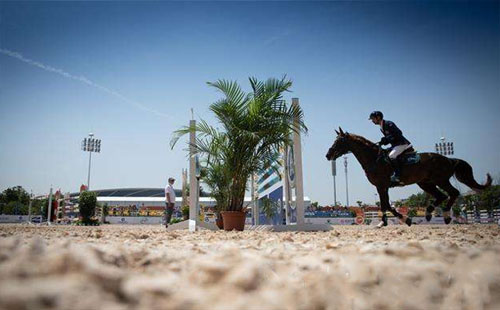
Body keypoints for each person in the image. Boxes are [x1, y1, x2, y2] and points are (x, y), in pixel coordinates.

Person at [369, 111, 412, 184]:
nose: (372, 121)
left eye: (373, 119)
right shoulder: (381, 127)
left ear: (378, 117)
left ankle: (398, 176)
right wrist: (384, 141)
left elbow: (398, 133)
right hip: (395, 145)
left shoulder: (388, 124)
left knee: (392, 156)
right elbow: (390, 138)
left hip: (402, 144)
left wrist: (387, 139)